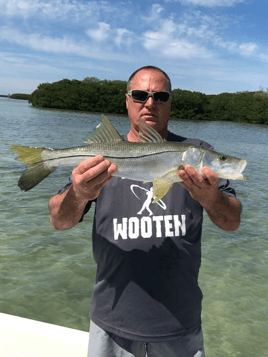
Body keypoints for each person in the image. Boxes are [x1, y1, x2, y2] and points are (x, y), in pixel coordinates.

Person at [49, 66, 242, 357]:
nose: (150, 103)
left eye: (160, 96)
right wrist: (78, 193)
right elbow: (59, 221)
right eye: (140, 95)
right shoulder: (100, 155)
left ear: (170, 102)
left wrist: (211, 197)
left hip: (180, 327)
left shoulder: (197, 152)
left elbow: (232, 221)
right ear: (127, 100)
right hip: (110, 321)